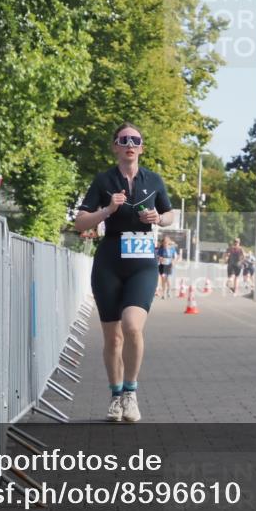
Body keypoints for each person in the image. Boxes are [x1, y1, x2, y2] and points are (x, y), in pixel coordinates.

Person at [74, 122, 174, 422]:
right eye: (124, 140)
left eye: (136, 140)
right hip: (109, 261)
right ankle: (116, 396)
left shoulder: (153, 180)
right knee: (113, 339)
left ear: (142, 147)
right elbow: (80, 222)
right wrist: (107, 211)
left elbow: (169, 213)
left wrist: (160, 217)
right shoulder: (104, 180)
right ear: (115, 146)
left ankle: (131, 393)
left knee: (132, 325)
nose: (130, 144)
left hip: (142, 261)